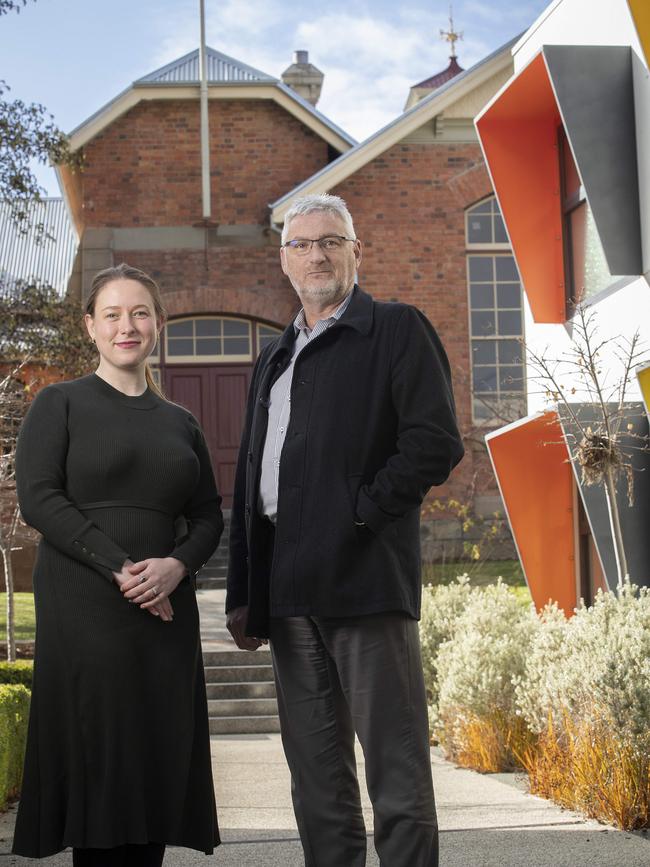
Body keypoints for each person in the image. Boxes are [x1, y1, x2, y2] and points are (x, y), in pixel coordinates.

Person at [226, 193, 464, 867]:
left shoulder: (396, 329)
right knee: (318, 781)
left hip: (365, 582)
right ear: (283, 260)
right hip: (290, 586)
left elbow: (433, 443)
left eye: (331, 240)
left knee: (397, 775)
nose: (317, 254)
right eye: (301, 244)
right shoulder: (272, 358)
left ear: (357, 250)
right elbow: (251, 481)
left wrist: (360, 512)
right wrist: (247, 586)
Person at [12, 263, 222, 866]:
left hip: (164, 616)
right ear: (91, 326)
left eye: (139, 313)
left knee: (155, 763)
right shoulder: (60, 403)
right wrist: (122, 568)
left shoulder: (182, 422)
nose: (126, 326)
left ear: (157, 324)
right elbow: (39, 498)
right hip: (87, 608)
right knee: (100, 765)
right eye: (112, 314)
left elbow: (209, 516)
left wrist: (177, 567)